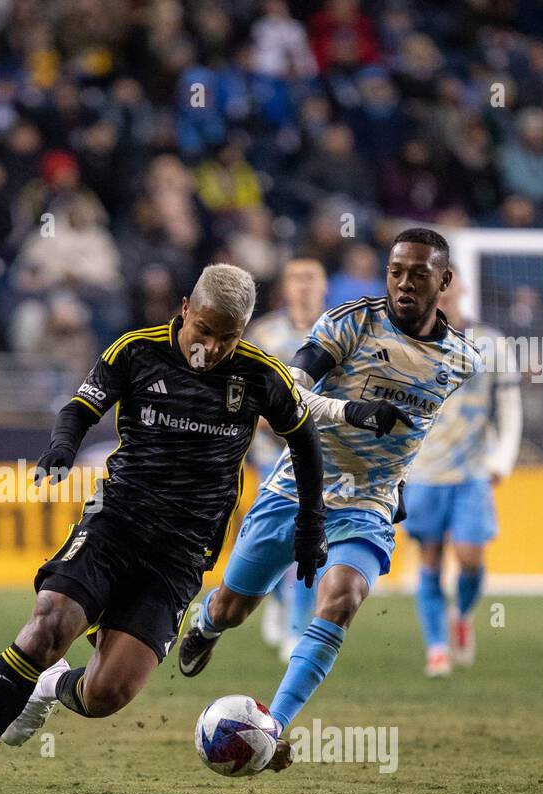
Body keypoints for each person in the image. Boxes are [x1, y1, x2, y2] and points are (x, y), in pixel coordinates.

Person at [0, 264, 330, 794]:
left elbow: (305, 442)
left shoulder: (260, 374)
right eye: (204, 330)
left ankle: (50, 686)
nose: (213, 347)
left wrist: (311, 521)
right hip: (116, 522)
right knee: (47, 626)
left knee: (106, 694)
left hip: (182, 553)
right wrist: (62, 447)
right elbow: (81, 406)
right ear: (185, 308)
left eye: (228, 337)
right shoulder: (135, 351)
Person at [179, 229, 481, 765]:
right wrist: (352, 412)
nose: (405, 283)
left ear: (445, 281)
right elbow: (289, 392)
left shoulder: (461, 360)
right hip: (299, 484)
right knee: (233, 606)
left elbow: (419, 431)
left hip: (369, 504)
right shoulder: (350, 322)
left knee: (341, 600)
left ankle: (272, 725)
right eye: (396, 271)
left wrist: (398, 478)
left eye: (419, 274)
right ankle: (207, 623)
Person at [404, 286, 522, 676]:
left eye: (448, 288)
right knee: (430, 558)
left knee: (470, 557)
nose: (442, 297)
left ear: (462, 290)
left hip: (472, 470)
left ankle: (463, 613)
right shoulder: (407, 342)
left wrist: (502, 459)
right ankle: (436, 648)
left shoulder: (490, 343)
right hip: (423, 471)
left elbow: (508, 407)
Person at [246, 255, 328, 660]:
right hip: (271, 457)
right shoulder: (264, 334)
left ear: (324, 284)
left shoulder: (336, 332)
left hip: (319, 456)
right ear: (284, 287)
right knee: (273, 540)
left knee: (310, 539)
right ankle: (276, 598)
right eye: (295, 277)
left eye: (311, 277)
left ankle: (298, 627)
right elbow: (246, 391)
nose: (304, 285)